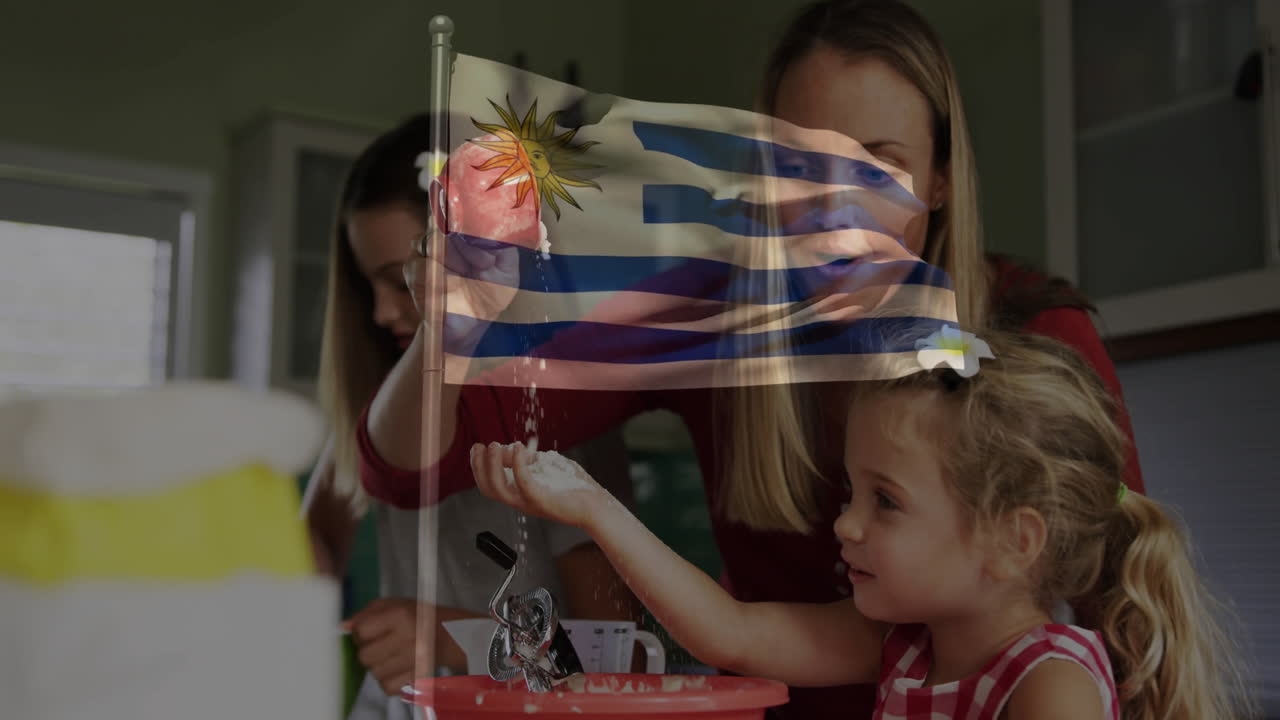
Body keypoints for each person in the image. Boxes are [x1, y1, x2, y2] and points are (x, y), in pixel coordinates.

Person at [357, 1, 1144, 716]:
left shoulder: (1037, 336)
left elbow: (1126, 607)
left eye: (879, 165)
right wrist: (447, 330)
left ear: (940, 177)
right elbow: (408, 466)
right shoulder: (709, 314)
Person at [472, 329, 1255, 720]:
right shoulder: (900, 644)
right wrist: (594, 504)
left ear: (1013, 541)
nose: (844, 525)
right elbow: (731, 633)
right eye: (852, 492)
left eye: (886, 501)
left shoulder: (1052, 682)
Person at [301, 115, 640, 720]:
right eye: (367, 286)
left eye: (401, 283)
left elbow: (619, 660)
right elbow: (312, 543)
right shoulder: (381, 416)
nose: (381, 313)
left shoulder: (556, 418)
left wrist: (452, 637)